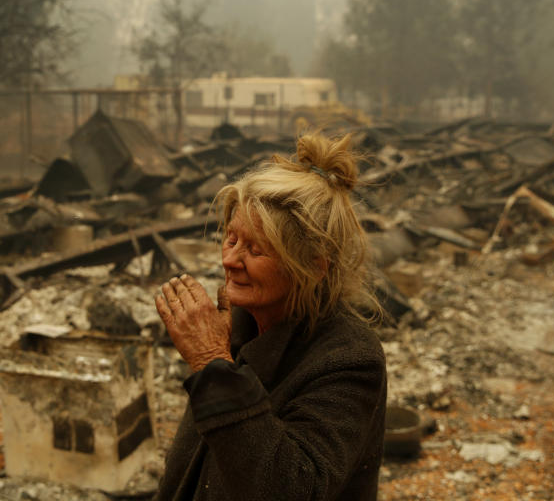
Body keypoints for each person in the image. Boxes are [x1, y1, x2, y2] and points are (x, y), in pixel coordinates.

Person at [154, 132, 387, 501]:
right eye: (231, 239)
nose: (230, 260)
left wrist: (213, 363)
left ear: (313, 267)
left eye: (256, 249)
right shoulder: (237, 325)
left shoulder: (349, 360)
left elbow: (292, 489)